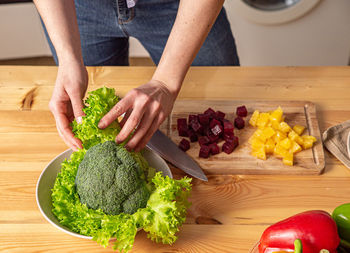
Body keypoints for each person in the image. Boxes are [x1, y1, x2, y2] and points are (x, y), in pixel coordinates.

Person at [34, 0, 239, 152]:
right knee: (93, 117)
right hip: (79, 8)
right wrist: (68, 57)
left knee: (225, 94)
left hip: (183, 6)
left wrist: (165, 83)